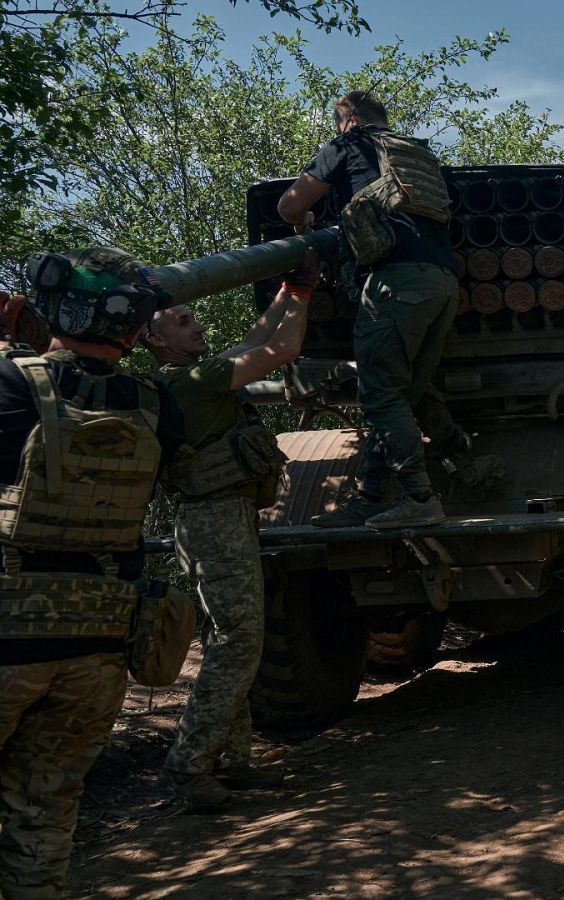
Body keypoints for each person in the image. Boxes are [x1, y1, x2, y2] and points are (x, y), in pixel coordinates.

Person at [0, 247, 185, 898]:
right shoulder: (155, 403)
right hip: (100, 646)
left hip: (7, 634)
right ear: (136, 330)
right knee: (45, 811)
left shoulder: (12, 383)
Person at [140, 263, 315, 811]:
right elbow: (282, 348)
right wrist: (304, 297)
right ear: (154, 339)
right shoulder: (196, 380)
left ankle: (232, 759)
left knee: (228, 638)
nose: (196, 326)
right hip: (215, 518)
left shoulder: (189, 378)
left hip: (212, 518)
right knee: (239, 639)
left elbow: (254, 340)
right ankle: (189, 765)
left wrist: (286, 291)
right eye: (184, 320)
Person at [277, 89, 458, 530]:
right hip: (442, 283)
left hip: (394, 284)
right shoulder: (415, 153)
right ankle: (372, 494)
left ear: (348, 119)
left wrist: (303, 227)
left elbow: (289, 204)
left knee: (378, 396)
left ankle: (419, 498)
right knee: (400, 396)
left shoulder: (348, 145)